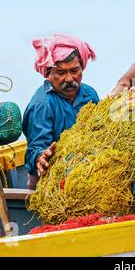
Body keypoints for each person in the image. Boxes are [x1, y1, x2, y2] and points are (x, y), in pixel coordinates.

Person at [23, 34, 99, 190]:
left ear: (82, 68)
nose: (69, 78)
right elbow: (35, 150)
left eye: (74, 71)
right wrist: (40, 157)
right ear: (49, 74)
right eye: (61, 72)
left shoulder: (90, 95)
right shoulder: (42, 105)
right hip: (49, 182)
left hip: (87, 173)